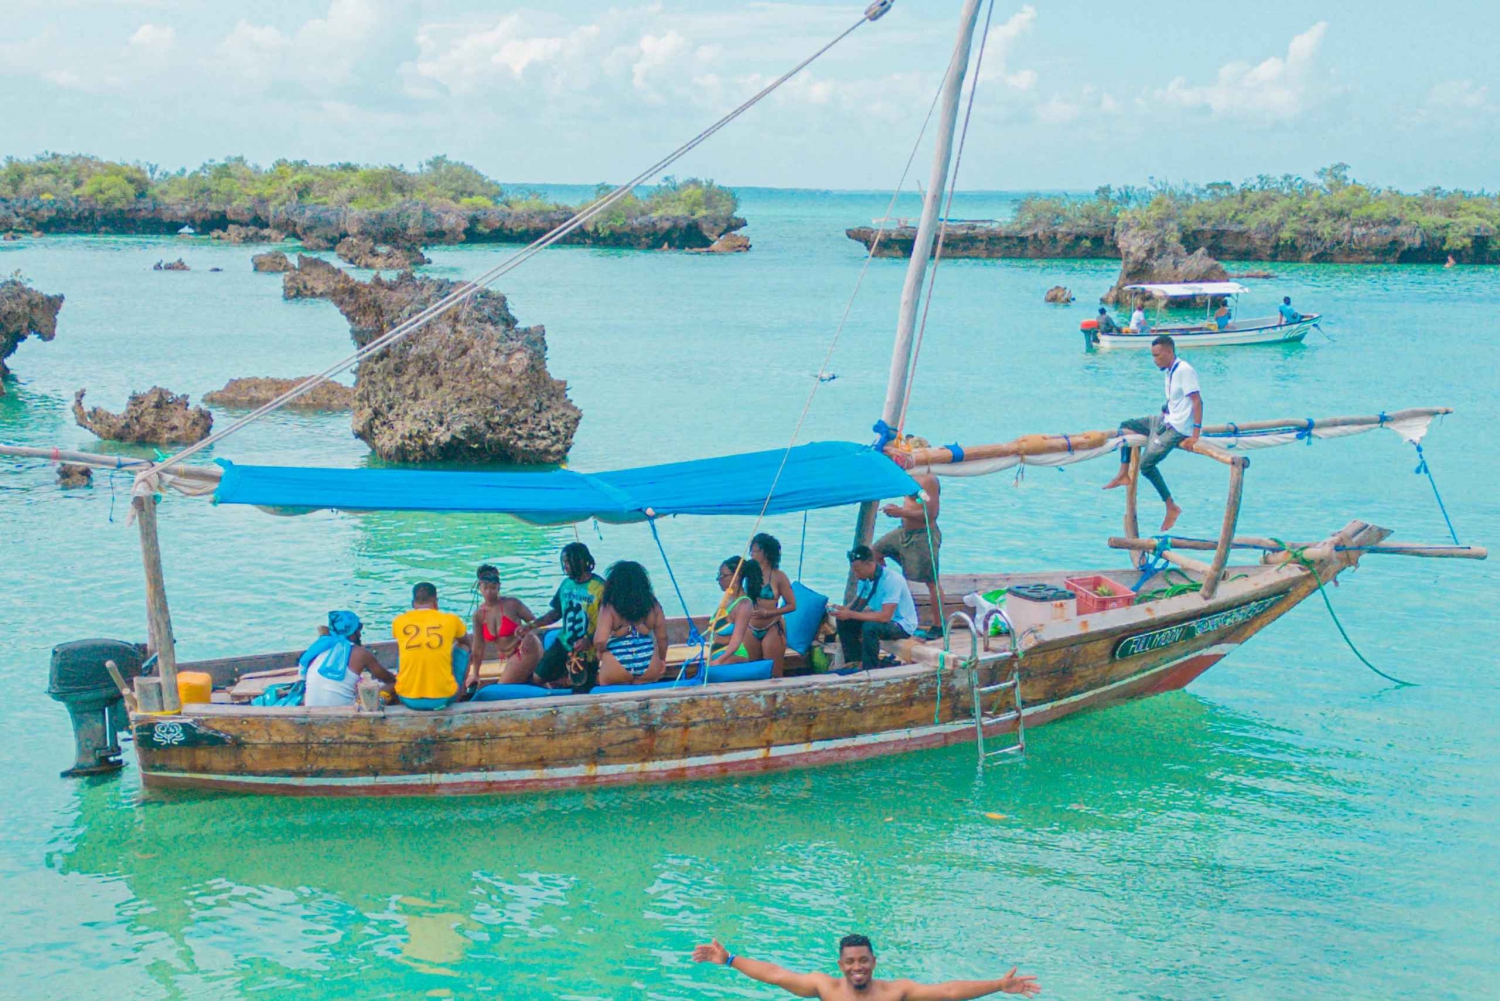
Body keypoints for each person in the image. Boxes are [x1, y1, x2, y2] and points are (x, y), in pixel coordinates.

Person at [692, 934, 1040, 1000]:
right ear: (840, 965)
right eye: (850, 962)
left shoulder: (896, 992)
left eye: (863, 961)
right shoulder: (825, 988)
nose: (857, 968)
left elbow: (949, 991)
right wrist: (730, 960)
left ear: (874, 963)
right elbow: (776, 975)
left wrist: (997, 985)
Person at [1102, 334, 1202, 532]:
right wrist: (1166, 409)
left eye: (1157, 355)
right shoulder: (1169, 371)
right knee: (1126, 426)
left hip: (1177, 429)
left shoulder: (1184, 370)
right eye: (1153, 356)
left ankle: (1171, 506)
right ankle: (1123, 473)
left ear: (1168, 352)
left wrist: (1195, 435)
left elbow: (1197, 401)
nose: (1154, 359)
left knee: (1146, 465)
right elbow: (1176, 399)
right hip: (1165, 420)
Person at [519, 542, 606, 691]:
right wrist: (531, 626)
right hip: (563, 643)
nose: (565, 566)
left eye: (568, 562)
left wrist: (590, 640)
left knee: (580, 692)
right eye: (563, 562)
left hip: (587, 652)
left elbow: (608, 624)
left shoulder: (600, 588)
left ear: (580, 561)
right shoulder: (566, 584)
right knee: (537, 678)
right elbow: (556, 613)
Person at [874, 472, 944, 640]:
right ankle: (889, 594)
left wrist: (901, 512)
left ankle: (939, 624)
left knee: (931, 581)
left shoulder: (928, 480)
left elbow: (930, 513)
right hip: (903, 533)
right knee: (875, 552)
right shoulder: (907, 477)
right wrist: (897, 511)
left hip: (923, 535)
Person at [828, 545, 918, 670]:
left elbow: (885, 617)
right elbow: (858, 603)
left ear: (870, 564)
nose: (855, 573)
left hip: (901, 624)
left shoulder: (891, 580)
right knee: (844, 621)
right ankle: (854, 661)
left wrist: (851, 614)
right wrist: (842, 610)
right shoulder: (865, 579)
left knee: (870, 627)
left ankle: (870, 667)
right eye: (853, 570)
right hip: (882, 619)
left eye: (858, 570)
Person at [391, 582, 469, 710]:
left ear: (413, 603)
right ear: (436, 602)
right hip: (442, 700)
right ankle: (460, 693)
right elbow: (466, 643)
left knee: (403, 650)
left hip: (407, 698)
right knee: (464, 648)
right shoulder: (451, 619)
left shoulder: (399, 621)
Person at [594, 560, 669, 686]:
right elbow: (662, 638)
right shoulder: (653, 605)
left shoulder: (609, 606)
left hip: (616, 663)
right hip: (648, 662)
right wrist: (661, 659)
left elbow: (600, 640)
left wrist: (600, 653)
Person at [468, 564, 543, 688]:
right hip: (510, 658)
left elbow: (536, 623)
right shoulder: (478, 615)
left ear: (499, 587)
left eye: (493, 587)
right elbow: (478, 647)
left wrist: (528, 634)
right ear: (479, 587)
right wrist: (475, 674)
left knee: (501, 687)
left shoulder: (512, 604)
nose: (489, 592)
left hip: (527, 649)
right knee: (534, 683)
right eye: (485, 587)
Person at [302, 611, 396, 707]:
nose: (360, 634)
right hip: (344, 714)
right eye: (358, 629)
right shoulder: (360, 653)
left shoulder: (318, 649)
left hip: (313, 710)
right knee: (394, 686)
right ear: (352, 632)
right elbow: (389, 679)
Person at [748, 533, 797, 677]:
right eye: (751, 550)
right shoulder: (748, 574)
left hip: (772, 627)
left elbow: (792, 605)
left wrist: (768, 613)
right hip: (750, 627)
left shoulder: (779, 576)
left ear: (766, 553)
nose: (752, 554)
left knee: (774, 673)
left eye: (756, 551)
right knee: (752, 672)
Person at [710, 556, 763, 666]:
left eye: (723, 575)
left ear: (736, 577)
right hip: (718, 655)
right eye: (718, 575)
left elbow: (736, 641)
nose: (719, 579)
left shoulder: (744, 604)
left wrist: (719, 661)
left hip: (731, 657)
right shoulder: (727, 598)